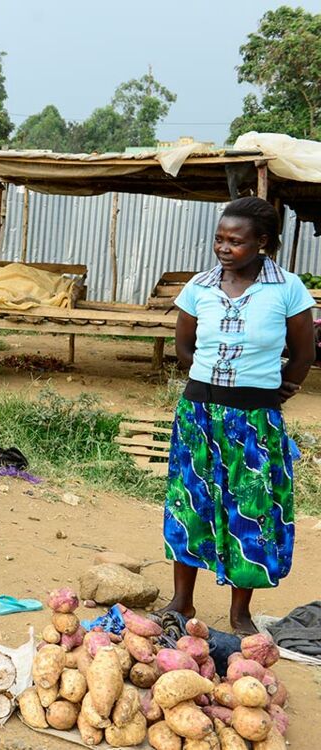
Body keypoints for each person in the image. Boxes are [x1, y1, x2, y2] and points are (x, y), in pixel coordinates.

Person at [163, 196, 314, 635]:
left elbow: (304, 354)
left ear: (263, 243)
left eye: (236, 241)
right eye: (219, 239)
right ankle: (181, 602)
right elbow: (184, 347)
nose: (224, 247)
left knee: (251, 510)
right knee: (190, 503)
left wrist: (276, 390)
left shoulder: (287, 288)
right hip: (198, 414)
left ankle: (239, 614)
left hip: (255, 420)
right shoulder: (200, 286)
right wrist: (208, 381)